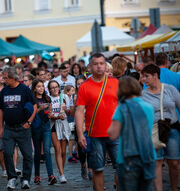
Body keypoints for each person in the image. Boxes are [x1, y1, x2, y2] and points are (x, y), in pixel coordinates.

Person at [75, 53, 119, 191]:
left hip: (116, 133)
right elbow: (79, 111)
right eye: (96, 64)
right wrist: (80, 134)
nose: (99, 66)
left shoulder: (115, 82)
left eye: (101, 63)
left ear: (106, 65)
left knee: (122, 168)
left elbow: (123, 106)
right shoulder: (84, 86)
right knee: (98, 169)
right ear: (90, 66)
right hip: (95, 134)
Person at [108, 76, 156, 191]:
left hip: (127, 158)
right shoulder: (149, 107)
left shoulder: (122, 107)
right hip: (148, 156)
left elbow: (113, 134)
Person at [141, 64, 180, 191]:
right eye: (142, 76)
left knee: (174, 163)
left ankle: (174, 188)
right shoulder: (143, 95)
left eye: (146, 76)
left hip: (172, 129)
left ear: (155, 75)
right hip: (154, 131)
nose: (143, 79)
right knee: (157, 162)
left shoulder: (170, 89)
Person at [0, 67, 37, 189]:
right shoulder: (4, 91)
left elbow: (34, 106)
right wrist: (1, 127)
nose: (3, 80)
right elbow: (0, 110)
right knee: (7, 153)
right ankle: (12, 178)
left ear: (13, 77)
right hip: (8, 128)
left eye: (5, 78)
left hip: (23, 128)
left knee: (27, 155)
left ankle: (25, 179)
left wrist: (29, 122)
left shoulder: (24, 90)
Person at [31, 79, 57, 185]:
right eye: (38, 86)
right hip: (36, 127)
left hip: (46, 126)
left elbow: (50, 113)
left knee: (47, 150)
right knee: (37, 152)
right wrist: (39, 109)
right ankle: (37, 176)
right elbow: (32, 114)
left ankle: (50, 175)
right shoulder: (32, 100)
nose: (41, 88)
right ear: (34, 89)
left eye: (42, 86)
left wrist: (52, 115)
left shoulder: (47, 98)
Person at [48, 80, 71, 183]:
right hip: (54, 125)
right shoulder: (49, 99)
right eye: (52, 87)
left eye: (56, 87)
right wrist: (56, 116)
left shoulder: (64, 97)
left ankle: (62, 169)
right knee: (57, 150)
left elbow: (70, 112)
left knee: (63, 151)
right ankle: (61, 174)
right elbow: (49, 114)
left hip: (64, 124)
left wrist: (65, 109)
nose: (55, 89)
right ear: (49, 89)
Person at [63, 85, 78, 163]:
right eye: (72, 91)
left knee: (76, 137)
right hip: (69, 119)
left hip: (72, 118)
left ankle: (74, 152)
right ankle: (70, 155)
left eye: (73, 90)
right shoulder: (65, 97)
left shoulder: (72, 98)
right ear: (67, 92)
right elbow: (69, 111)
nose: (73, 92)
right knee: (71, 139)